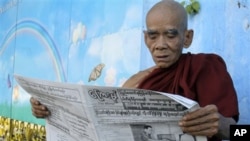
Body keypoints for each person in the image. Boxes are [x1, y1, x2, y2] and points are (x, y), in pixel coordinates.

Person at [30, 0, 239, 141]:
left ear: (187, 37)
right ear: (145, 38)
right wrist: (51, 110)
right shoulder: (135, 83)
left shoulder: (205, 68)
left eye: (171, 35)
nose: (160, 44)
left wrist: (223, 126)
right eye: (153, 35)